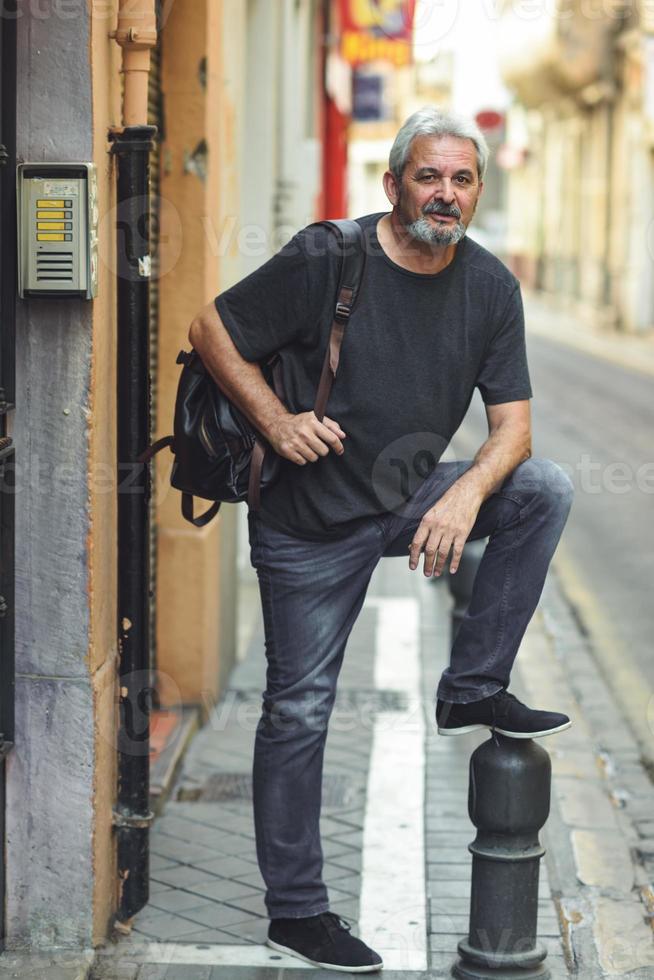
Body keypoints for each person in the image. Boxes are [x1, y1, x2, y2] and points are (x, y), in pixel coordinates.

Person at [189, 106, 574, 973]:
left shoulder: (489, 287)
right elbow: (209, 328)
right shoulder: (329, 256)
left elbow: (512, 432)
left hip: (404, 500)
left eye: (462, 179)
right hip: (307, 520)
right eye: (429, 176)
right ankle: (296, 911)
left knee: (542, 489)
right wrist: (277, 421)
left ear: (477, 190)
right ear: (393, 183)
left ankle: (471, 687)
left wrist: (466, 495)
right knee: (299, 710)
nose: (446, 193)